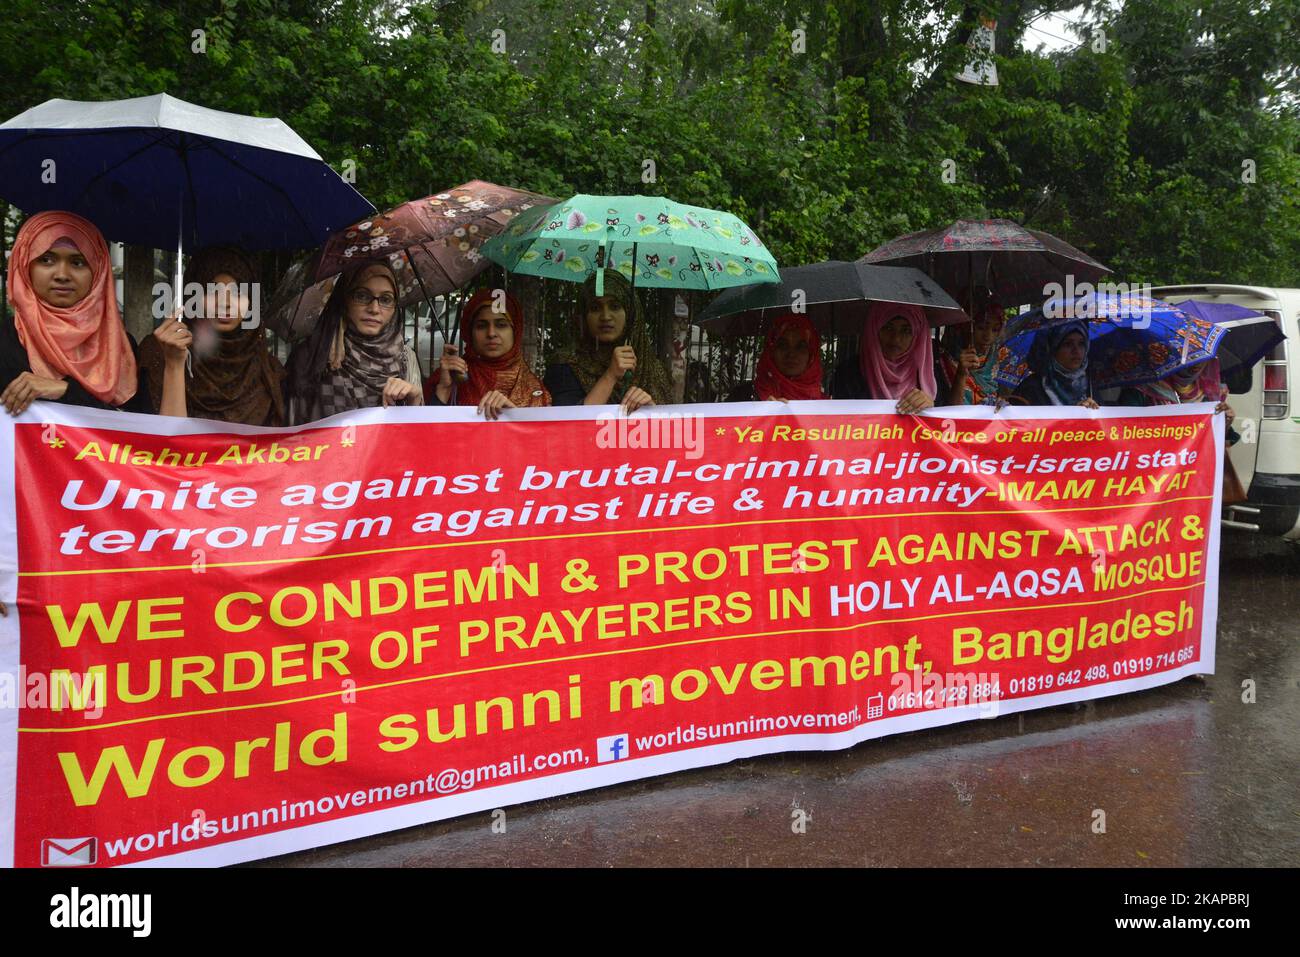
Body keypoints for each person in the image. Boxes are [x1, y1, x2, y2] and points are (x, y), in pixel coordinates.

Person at [1, 210, 190, 417]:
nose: (62, 275)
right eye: (46, 260)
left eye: (78, 262)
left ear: (98, 272)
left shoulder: (119, 347)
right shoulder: (6, 341)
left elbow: (133, 431)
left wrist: (63, 391)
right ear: (24, 266)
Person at [138, 246, 286, 426]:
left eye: (238, 292)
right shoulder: (161, 352)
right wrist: (174, 366)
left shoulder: (268, 372)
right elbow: (166, 445)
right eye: (212, 291)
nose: (225, 303)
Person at [284, 261, 422, 424]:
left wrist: (414, 399)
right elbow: (291, 431)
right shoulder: (314, 355)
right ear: (344, 300)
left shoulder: (405, 358)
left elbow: (416, 435)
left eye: (386, 299)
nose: (374, 309)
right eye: (362, 296)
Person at [544, 269, 672, 414]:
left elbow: (671, 431)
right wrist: (610, 376)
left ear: (630, 313)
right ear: (584, 316)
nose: (605, 316)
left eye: (615, 306)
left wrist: (650, 410)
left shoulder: (651, 369)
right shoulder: (565, 366)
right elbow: (566, 426)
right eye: (595, 308)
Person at [430, 288, 551, 419]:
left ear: (515, 330)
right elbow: (426, 433)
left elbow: (544, 436)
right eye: (481, 326)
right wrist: (443, 389)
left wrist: (513, 415)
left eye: (501, 325)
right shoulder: (451, 378)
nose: (491, 333)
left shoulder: (533, 389)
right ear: (470, 332)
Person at [830, 302, 937, 413]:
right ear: (873, 329)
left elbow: (945, 424)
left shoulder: (928, 376)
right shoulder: (849, 374)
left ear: (918, 335)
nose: (896, 338)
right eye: (888, 328)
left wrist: (931, 409)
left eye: (906, 330)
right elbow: (842, 423)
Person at [1107, 358, 1238, 442]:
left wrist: (1224, 423)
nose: (1197, 362)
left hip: (1188, 475)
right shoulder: (1142, 388)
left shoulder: (1209, 394)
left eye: (1202, 355)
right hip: (1149, 469)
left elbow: (1212, 441)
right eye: (1190, 354)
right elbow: (1122, 429)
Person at [727, 312, 826, 402]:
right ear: (771, 351)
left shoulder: (827, 409)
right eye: (783, 345)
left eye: (800, 347)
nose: (791, 354)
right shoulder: (742, 397)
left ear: (812, 355)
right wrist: (761, 414)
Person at [1009, 321, 1099, 408]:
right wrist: (1073, 413)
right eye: (1068, 344)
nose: (1076, 351)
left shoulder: (1090, 386)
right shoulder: (1031, 388)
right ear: (1053, 348)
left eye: (1081, 344)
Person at [939, 298, 1006, 405]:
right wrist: (961, 374)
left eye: (995, 330)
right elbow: (952, 411)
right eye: (981, 328)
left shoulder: (994, 358)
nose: (988, 336)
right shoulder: (943, 361)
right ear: (965, 327)